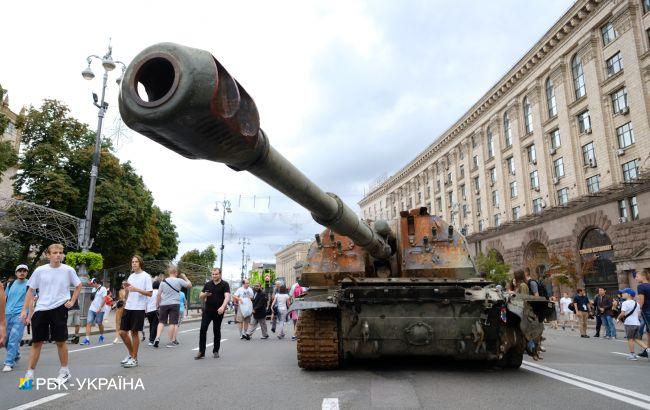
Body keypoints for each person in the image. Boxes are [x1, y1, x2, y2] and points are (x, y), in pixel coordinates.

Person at [20, 244, 82, 385]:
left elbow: (78, 285)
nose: (58, 255)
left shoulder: (68, 270)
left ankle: (64, 371)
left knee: (60, 341)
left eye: (60, 253)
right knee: (37, 342)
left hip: (59, 308)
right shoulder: (40, 270)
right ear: (48, 255)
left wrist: (72, 301)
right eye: (54, 253)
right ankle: (29, 375)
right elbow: (31, 290)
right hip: (41, 309)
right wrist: (24, 310)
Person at [118, 255, 153, 368]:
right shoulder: (131, 276)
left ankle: (134, 358)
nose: (134, 264)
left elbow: (150, 293)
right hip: (128, 306)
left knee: (134, 333)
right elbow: (129, 291)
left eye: (136, 262)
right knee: (122, 332)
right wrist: (126, 291)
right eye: (132, 262)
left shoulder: (146, 276)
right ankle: (131, 354)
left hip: (139, 308)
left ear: (140, 263)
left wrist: (136, 289)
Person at [196, 268, 230, 359]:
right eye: (213, 274)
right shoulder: (208, 284)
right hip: (207, 311)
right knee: (203, 329)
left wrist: (223, 307)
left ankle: (216, 351)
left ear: (220, 274)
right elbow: (201, 296)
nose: (214, 276)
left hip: (218, 311)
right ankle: (201, 352)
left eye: (216, 274)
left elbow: (227, 297)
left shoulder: (225, 284)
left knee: (216, 330)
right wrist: (205, 295)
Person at [154, 265, 191, 348]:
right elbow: (189, 285)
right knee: (172, 323)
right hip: (175, 304)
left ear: (169, 272)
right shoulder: (179, 280)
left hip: (164, 304)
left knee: (161, 322)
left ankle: (157, 338)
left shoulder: (163, 282)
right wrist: (185, 277)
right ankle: (171, 341)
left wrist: (157, 303)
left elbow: (159, 294)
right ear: (176, 272)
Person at [3, 265, 29, 372]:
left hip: (21, 315)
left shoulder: (30, 285)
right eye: (20, 271)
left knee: (13, 338)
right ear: (16, 272)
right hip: (7, 314)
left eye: (24, 271)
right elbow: (4, 299)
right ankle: (16, 354)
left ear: (27, 272)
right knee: (5, 340)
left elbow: (32, 301)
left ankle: (9, 363)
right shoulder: (10, 284)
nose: (22, 273)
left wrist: (29, 317)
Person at [617, 287, 649, 360]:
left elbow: (622, 313)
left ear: (628, 294)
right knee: (637, 339)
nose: (622, 294)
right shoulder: (636, 303)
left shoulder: (625, 303)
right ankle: (648, 349)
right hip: (637, 323)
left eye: (623, 293)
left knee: (630, 339)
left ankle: (632, 355)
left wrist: (618, 318)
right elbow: (638, 314)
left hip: (629, 324)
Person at [81, 279, 107, 345]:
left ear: (95, 283)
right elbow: (93, 299)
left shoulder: (103, 289)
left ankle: (101, 335)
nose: (91, 285)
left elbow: (104, 299)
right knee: (89, 322)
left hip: (100, 310)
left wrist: (100, 307)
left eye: (92, 283)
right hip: (92, 309)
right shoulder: (93, 289)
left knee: (99, 323)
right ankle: (87, 339)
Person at [636, 268, 650, 357]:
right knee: (648, 332)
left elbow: (641, 302)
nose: (636, 278)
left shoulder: (641, 286)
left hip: (647, 311)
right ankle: (648, 351)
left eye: (637, 276)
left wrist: (637, 312)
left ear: (643, 276)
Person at [146, 281, 160, 346]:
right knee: (155, 325)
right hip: (155, 310)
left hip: (148, 311)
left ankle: (151, 339)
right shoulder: (159, 292)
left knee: (151, 324)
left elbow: (146, 302)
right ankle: (152, 340)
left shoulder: (149, 292)